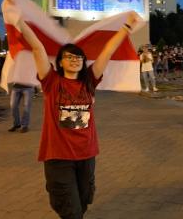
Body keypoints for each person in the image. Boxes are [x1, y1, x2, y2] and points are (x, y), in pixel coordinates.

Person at [15, 11, 138, 218]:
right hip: (58, 157)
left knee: (83, 201)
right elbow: (37, 47)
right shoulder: (51, 81)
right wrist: (18, 19)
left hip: (86, 155)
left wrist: (126, 27)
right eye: (69, 57)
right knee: (70, 209)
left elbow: (107, 52)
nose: (74, 60)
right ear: (60, 62)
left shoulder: (89, 81)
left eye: (78, 57)